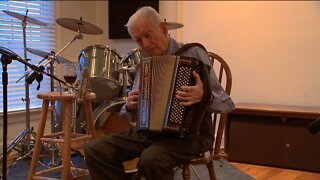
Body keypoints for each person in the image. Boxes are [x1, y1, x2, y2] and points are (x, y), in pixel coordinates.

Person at [84, 6, 235, 180]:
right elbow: (129, 116)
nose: (145, 44)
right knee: (95, 149)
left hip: (191, 136)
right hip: (150, 133)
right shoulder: (146, 64)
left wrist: (204, 96)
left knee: (152, 159)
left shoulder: (193, 53)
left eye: (148, 35)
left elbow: (227, 103)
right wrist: (130, 105)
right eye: (138, 40)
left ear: (163, 29)